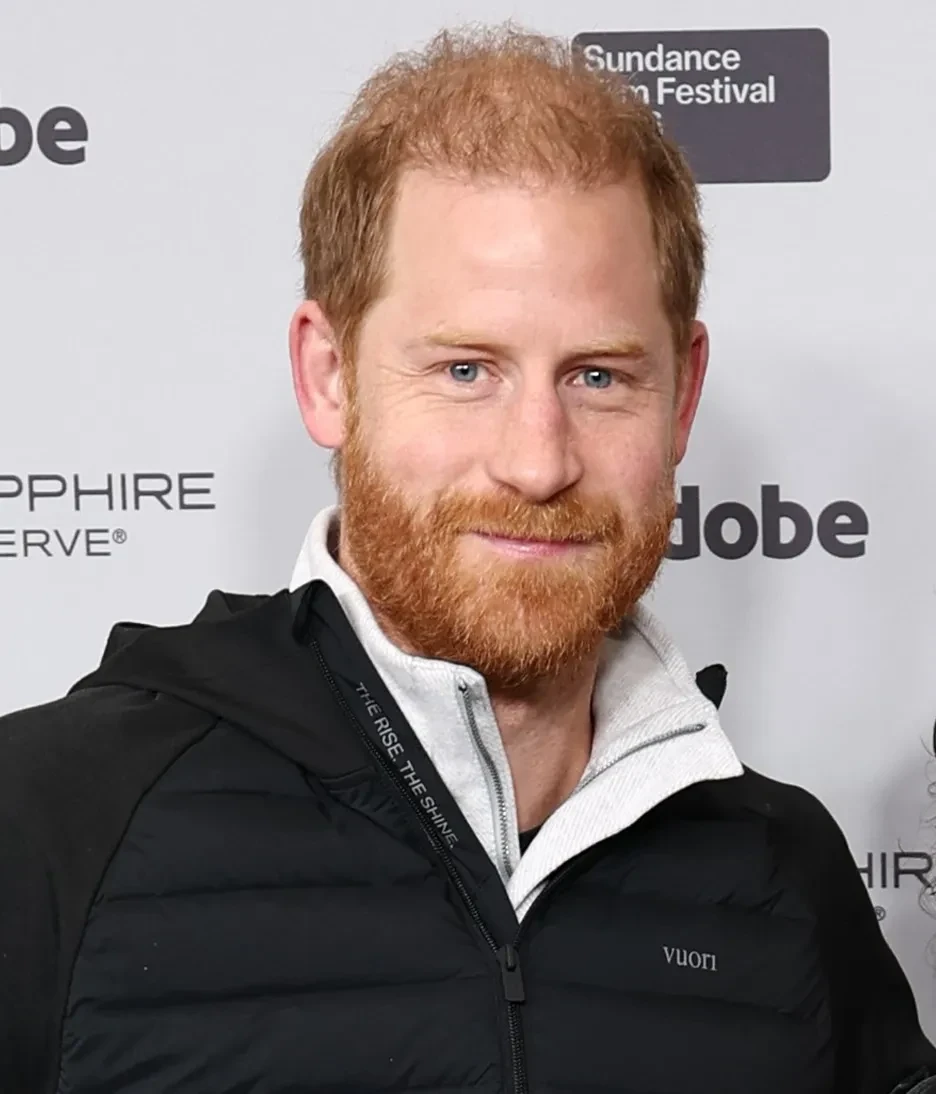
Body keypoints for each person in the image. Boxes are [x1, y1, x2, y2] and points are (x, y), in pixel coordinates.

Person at [1, 24, 934, 1094]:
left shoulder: (785, 877)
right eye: (465, 370)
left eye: (598, 377)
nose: (537, 462)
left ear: (682, 395)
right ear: (328, 376)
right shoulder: (49, 822)